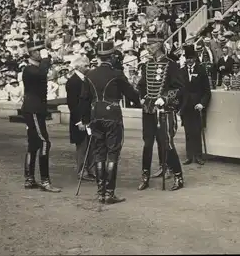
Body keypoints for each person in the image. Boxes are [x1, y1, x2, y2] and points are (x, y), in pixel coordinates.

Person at [78, 41, 141, 204]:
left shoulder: (89, 75)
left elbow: (84, 100)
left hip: (94, 116)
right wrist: (140, 100)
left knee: (99, 153)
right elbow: (132, 95)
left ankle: (100, 193)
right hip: (112, 115)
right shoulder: (117, 74)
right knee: (113, 154)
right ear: (111, 56)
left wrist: (85, 120)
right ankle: (109, 193)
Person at [137, 34, 185, 191]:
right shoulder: (146, 65)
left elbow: (179, 88)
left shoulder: (171, 65)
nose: (148, 48)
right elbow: (141, 85)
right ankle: (145, 176)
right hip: (149, 110)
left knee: (167, 144)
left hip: (165, 111)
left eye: (151, 45)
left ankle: (178, 175)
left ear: (158, 45)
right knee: (148, 144)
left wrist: (165, 98)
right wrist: (143, 97)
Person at [20, 41, 60, 192]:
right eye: (38, 51)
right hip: (34, 109)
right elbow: (42, 73)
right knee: (44, 143)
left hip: (35, 108)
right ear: (31, 53)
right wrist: (46, 59)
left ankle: (29, 179)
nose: (41, 53)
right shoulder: (29, 70)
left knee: (33, 144)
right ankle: (45, 181)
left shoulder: (34, 69)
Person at [179, 43, 212, 166]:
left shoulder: (201, 70)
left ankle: (198, 156)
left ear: (195, 58)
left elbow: (207, 91)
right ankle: (189, 156)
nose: (189, 60)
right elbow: (179, 90)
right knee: (188, 132)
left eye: (191, 58)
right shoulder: (181, 71)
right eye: (187, 58)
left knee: (197, 131)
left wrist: (202, 104)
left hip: (197, 106)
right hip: (186, 106)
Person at [66, 57, 95, 182]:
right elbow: (72, 104)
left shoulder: (85, 80)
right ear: (78, 67)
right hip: (79, 120)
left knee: (90, 144)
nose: (88, 68)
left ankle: (91, 169)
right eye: (86, 66)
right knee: (82, 146)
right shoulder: (73, 81)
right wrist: (79, 121)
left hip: (88, 117)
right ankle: (82, 171)